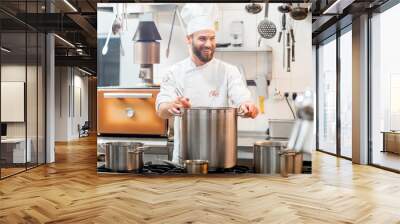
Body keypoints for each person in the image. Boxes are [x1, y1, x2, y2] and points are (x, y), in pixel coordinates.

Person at [156, 3, 259, 162]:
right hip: (185, 157)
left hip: (220, 157)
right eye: (202, 39)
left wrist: (247, 107)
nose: (209, 44)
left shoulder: (228, 71)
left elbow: (242, 99)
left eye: (212, 38)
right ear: (188, 39)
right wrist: (172, 106)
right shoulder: (174, 72)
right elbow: (161, 110)